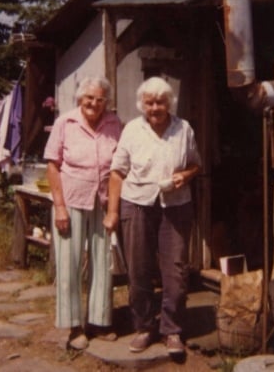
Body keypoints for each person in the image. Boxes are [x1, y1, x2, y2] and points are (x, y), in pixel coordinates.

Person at [103, 76, 201, 355]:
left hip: (177, 205)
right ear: (142, 105)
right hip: (136, 204)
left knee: (177, 271)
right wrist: (112, 213)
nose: (155, 107)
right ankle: (144, 327)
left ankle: (172, 331)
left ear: (169, 103)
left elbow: (196, 164)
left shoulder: (184, 129)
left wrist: (185, 175)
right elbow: (117, 172)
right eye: (150, 102)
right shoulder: (132, 129)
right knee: (139, 269)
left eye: (160, 101)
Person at [43, 76, 123, 350]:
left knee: (102, 263)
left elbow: (118, 169)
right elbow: (53, 166)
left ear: (106, 102)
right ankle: (74, 326)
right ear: (80, 98)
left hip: (102, 201)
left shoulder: (115, 124)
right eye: (89, 98)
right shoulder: (65, 123)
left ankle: (99, 322)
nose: (94, 103)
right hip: (71, 201)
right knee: (70, 263)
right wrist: (60, 207)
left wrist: (114, 209)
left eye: (100, 99)